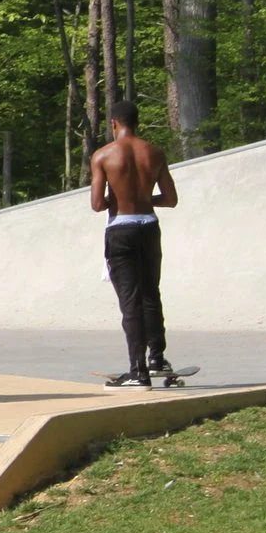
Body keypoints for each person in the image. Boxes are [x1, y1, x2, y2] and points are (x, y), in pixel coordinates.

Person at [88, 101, 179, 388]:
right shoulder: (154, 152)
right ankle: (157, 358)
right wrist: (143, 200)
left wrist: (119, 200)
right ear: (136, 122)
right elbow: (171, 199)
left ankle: (137, 369)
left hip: (121, 230)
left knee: (130, 300)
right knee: (151, 293)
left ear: (114, 123)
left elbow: (97, 204)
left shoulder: (103, 155)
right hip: (149, 227)